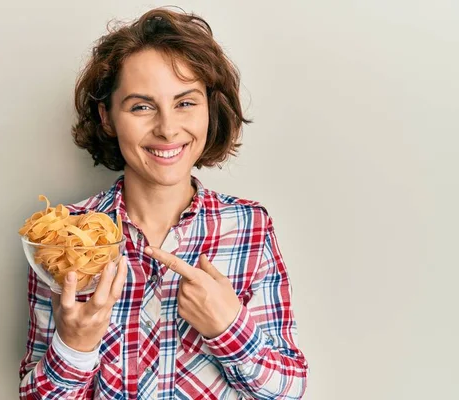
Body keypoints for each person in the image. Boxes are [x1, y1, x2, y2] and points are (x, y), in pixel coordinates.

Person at [19, 7, 308, 399]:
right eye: (141, 106)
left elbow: (289, 391)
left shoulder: (250, 226)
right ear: (107, 117)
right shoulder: (62, 236)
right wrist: (74, 343)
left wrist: (228, 328)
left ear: (210, 108)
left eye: (186, 103)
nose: (168, 128)